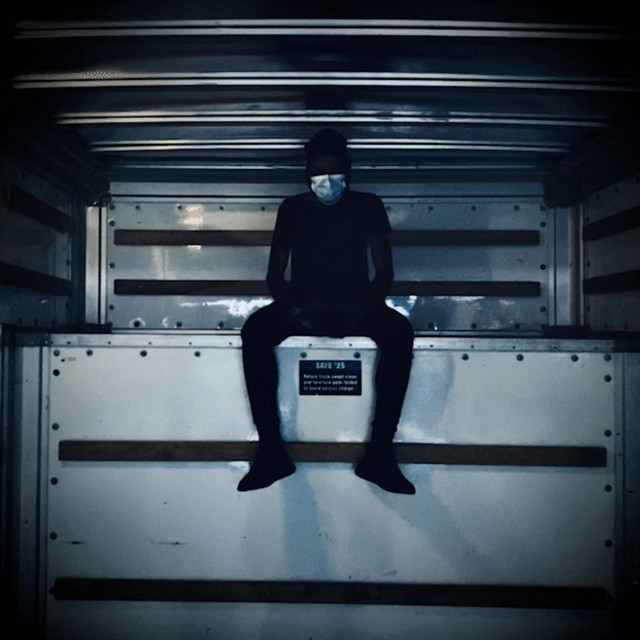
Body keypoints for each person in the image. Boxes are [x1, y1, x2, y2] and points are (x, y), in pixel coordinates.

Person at [239, 129, 415, 494]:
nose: (327, 180)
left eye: (334, 171)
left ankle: (380, 454)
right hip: (304, 306)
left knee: (399, 332)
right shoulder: (292, 209)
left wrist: (365, 308)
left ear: (348, 172)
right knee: (255, 330)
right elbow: (275, 275)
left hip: (356, 305)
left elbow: (384, 271)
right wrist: (295, 311)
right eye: (319, 172)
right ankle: (271, 451)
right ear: (307, 174)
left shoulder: (367, 205)